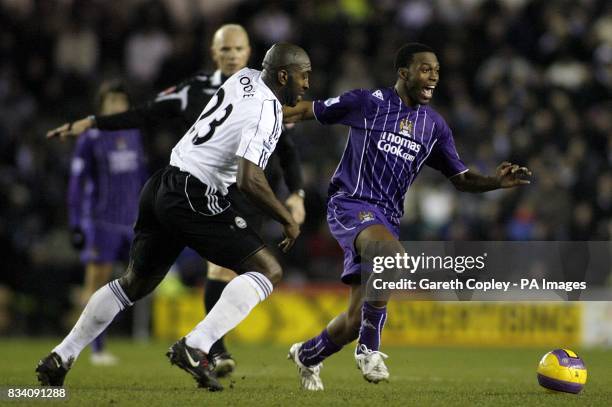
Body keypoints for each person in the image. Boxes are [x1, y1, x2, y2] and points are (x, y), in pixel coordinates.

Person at [36, 42, 312, 391]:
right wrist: (286, 217)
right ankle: (196, 346)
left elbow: (257, 113)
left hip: (162, 183)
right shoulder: (266, 112)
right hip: (194, 193)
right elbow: (249, 178)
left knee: (133, 283)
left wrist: (313, 110)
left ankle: (60, 356)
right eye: (304, 77)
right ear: (284, 75)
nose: (307, 85)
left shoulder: (244, 78)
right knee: (267, 270)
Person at [283, 43, 532, 391]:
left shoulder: (434, 127)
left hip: (385, 218)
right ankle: (369, 349)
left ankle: (307, 354)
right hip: (350, 203)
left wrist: (494, 181)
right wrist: (257, 120)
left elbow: (460, 179)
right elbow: (305, 110)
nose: (433, 77)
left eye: (437, 71)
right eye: (426, 69)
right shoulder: (368, 103)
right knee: (392, 256)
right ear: (404, 73)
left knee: (355, 318)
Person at [67, 80, 146, 366]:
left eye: (121, 101)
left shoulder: (133, 133)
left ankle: (114, 338)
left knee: (132, 282)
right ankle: (95, 349)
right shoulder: (91, 136)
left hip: (130, 222)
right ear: (101, 106)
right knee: (96, 284)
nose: (116, 106)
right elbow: (77, 182)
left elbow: (140, 177)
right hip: (100, 222)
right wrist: (76, 222)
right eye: (111, 101)